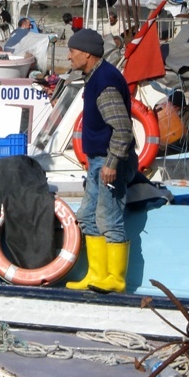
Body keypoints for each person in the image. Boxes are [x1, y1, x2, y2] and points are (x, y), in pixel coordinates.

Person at [65, 28, 137, 293]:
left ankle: (115, 279)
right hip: (97, 161)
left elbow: (122, 128)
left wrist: (111, 163)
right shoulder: (95, 77)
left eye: (72, 51)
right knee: (87, 217)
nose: (69, 56)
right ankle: (96, 275)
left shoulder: (104, 81)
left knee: (109, 219)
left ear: (87, 53)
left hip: (110, 162)